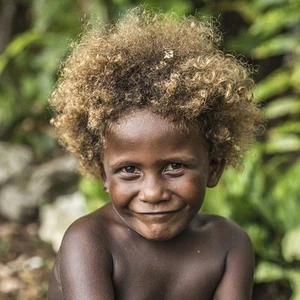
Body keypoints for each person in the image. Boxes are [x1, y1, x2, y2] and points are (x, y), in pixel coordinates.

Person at [47, 8, 262, 300]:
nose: (152, 192)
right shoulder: (89, 243)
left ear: (213, 167)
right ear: (103, 174)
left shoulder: (229, 245)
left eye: (174, 166)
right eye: (129, 170)